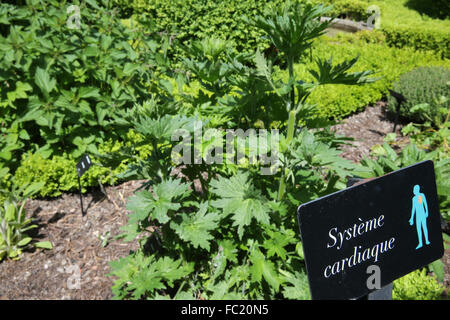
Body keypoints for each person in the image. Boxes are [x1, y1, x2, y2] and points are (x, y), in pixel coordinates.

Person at [409, 185, 430, 249]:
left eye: (414, 190)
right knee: (418, 229)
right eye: (413, 190)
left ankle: (427, 240)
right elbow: (413, 209)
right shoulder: (414, 198)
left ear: (417, 190)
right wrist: (411, 218)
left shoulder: (422, 195)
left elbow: (425, 203)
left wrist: (427, 211)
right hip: (417, 215)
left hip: (423, 214)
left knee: (424, 227)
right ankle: (420, 242)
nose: (413, 191)